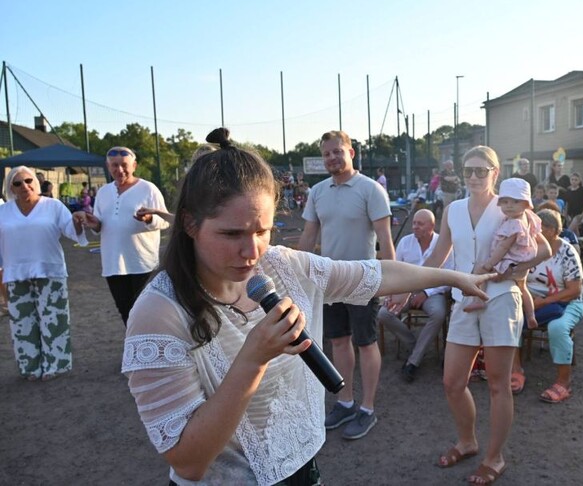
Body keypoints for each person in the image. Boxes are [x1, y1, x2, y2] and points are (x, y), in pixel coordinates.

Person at [121, 128, 493, 485]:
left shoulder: (282, 265)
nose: (252, 253)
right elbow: (188, 461)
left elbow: (372, 272)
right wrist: (253, 359)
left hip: (304, 468)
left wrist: (451, 277)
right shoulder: (159, 313)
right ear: (188, 223)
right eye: (231, 234)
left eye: (262, 231)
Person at [412, 146, 550, 485]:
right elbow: (439, 255)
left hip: (501, 300)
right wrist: (407, 287)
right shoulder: (452, 209)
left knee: (498, 385)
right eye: (468, 170)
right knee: (452, 382)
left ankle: (494, 458)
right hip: (463, 300)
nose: (473, 176)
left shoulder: (510, 206)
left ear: (495, 172)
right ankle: (468, 441)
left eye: (481, 170)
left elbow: (544, 249)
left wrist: (511, 270)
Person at [299, 130, 395, 440]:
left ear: (351, 153)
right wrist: (297, 272)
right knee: (338, 341)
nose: (332, 158)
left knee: (366, 342)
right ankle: (345, 401)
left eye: (337, 152)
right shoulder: (318, 192)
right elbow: (309, 237)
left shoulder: (371, 190)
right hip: (329, 279)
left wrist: (392, 280)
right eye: (327, 154)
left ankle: (367, 409)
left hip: (364, 277)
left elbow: (385, 241)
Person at [0, 166, 88, 380]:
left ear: (36, 182)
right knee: (22, 322)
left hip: (50, 269)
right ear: (10, 187)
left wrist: (77, 222)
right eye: (17, 183)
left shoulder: (53, 206)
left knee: (54, 318)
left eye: (28, 180)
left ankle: (56, 365)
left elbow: (72, 232)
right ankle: (30, 367)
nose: (24, 186)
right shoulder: (3, 211)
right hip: (15, 272)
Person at [74, 146, 170, 326]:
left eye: (124, 165)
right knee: (125, 310)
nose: (119, 170)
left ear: (134, 165)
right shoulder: (103, 192)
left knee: (147, 310)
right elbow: (100, 224)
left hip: (142, 262)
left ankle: (149, 349)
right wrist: (95, 224)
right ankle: (134, 350)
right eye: (114, 165)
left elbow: (164, 221)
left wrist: (149, 218)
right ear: (108, 166)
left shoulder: (148, 189)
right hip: (113, 264)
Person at [378, 208, 454, 382]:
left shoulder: (444, 245)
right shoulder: (405, 242)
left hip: (434, 292)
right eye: (414, 223)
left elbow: (448, 277)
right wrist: (395, 292)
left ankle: (413, 361)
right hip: (406, 290)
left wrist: (426, 292)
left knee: (439, 313)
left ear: (432, 226)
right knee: (383, 313)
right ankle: (415, 346)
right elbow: (396, 271)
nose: (415, 226)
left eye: (420, 223)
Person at [463, 178, 545, 336]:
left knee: (481, 270)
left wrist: (489, 264)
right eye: (505, 201)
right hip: (523, 260)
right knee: (523, 288)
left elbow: (503, 247)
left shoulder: (514, 223)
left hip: (509, 260)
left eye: (515, 202)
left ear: (526, 204)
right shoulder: (528, 216)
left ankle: (479, 300)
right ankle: (531, 315)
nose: (509, 206)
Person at [519, 209, 583, 403]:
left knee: (557, 327)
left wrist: (543, 302)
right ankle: (515, 371)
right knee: (509, 317)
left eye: (540, 227)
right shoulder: (529, 248)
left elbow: (575, 290)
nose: (534, 231)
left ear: (553, 230)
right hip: (532, 298)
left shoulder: (567, 252)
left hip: (567, 301)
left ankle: (563, 383)